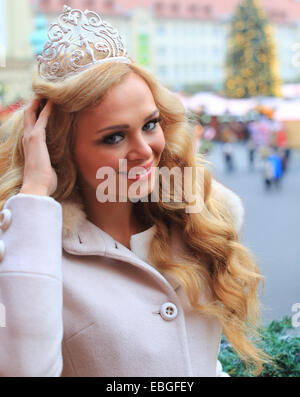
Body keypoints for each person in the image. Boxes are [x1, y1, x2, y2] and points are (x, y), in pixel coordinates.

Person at [0, 5, 270, 377]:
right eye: (113, 137)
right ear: (57, 150)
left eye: (150, 124)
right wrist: (33, 191)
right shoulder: (29, 254)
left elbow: (202, 361)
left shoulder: (202, 219)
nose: (144, 150)